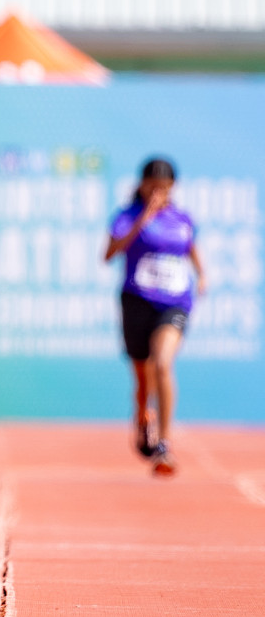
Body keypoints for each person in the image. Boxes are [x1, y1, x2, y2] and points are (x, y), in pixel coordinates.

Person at [104, 157, 203, 477]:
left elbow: (191, 249)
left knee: (162, 363)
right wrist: (144, 218)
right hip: (137, 301)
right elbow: (109, 253)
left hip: (174, 303)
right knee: (143, 375)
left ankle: (165, 443)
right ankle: (142, 415)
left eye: (165, 187)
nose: (159, 192)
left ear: (174, 187)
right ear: (142, 185)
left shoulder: (182, 219)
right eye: (153, 186)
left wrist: (202, 275)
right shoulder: (127, 215)